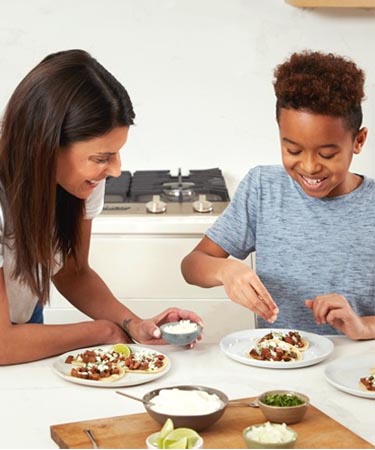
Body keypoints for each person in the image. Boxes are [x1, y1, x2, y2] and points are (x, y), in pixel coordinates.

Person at [0, 49, 203, 365]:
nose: (115, 169)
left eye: (116, 153)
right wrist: (101, 332)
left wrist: (133, 324)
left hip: (21, 324)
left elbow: (73, 271)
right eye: (102, 158)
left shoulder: (79, 182)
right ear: (46, 146)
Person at [181, 50, 375, 340]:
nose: (309, 166)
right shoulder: (263, 188)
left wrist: (363, 327)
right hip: (277, 367)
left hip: (357, 372)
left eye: (327, 153)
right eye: (293, 150)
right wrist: (226, 270)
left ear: (358, 141)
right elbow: (192, 265)